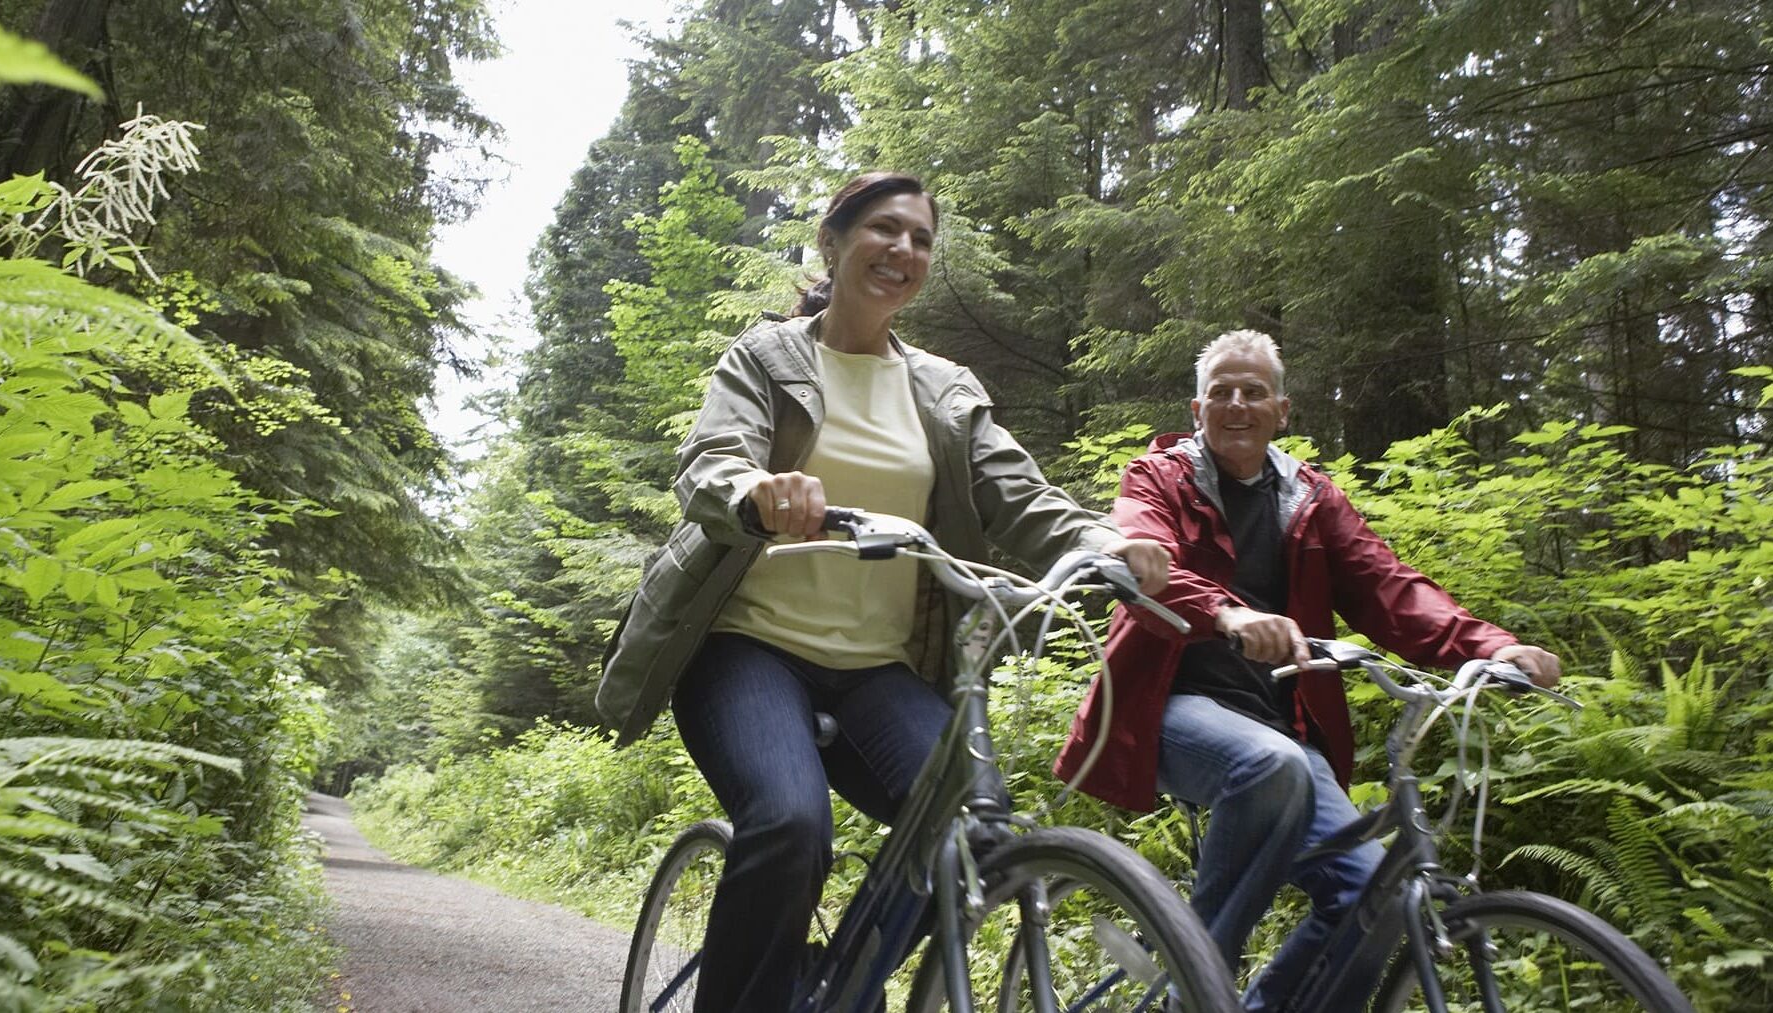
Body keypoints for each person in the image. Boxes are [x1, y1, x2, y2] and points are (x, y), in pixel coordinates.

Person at [595, 172, 1171, 1013]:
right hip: (748, 649)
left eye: (921, 238)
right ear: (831, 243)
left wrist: (1101, 541)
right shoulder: (768, 357)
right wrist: (758, 491)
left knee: (972, 835)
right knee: (790, 824)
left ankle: (840, 985)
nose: (903, 249)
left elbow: (1020, 494)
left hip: (877, 669)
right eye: (884, 229)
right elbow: (712, 462)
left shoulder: (944, 389)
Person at [1052, 329, 1561, 1012]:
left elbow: (1388, 586)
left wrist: (1490, 646)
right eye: (1221, 393)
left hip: (1281, 725)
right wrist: (1227, 615)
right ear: (1197, 409)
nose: (1237, 405)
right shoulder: (1158, 478)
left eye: (1253, 391)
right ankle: (1194, 995)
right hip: (1167, 706)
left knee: (1372, 895)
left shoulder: (1312, 498)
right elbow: (1148, 563)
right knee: (1269, 765)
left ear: (1282, 410)